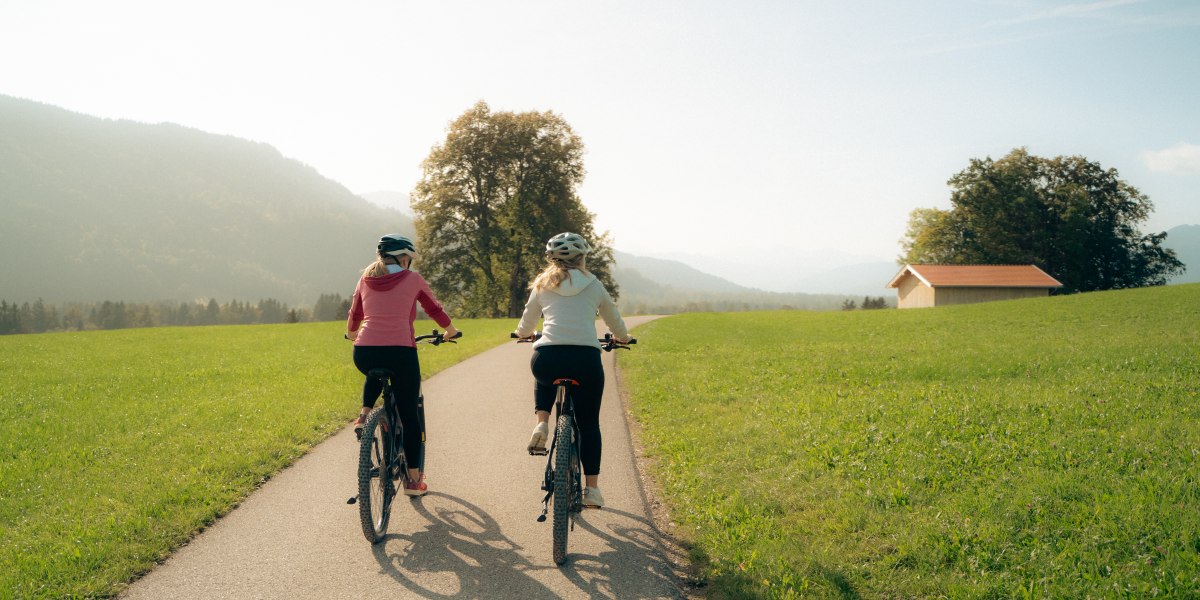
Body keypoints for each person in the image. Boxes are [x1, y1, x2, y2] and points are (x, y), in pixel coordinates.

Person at [514, 232, 630, 509]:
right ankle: (592, 490)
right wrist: (622, 338)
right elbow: (614, 320)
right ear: (582, 258)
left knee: (543, 374)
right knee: (589, 424)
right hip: (585, 359)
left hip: (548, 357)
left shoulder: (542, 284)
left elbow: (527, 323)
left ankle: (542, 421)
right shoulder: (594, 284)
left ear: (551, 259)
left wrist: (523, 333)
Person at [346, 234, 458, 497]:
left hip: (364, 352)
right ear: (403, 258)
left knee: (375, 370)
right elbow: (434, 308)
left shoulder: (366, 279)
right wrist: (450, 330)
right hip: (400, 352)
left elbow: (355, 314)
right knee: (409, 416)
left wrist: (353, 334)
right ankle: (413, 481)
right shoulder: (413, 279)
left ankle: (364, 414)